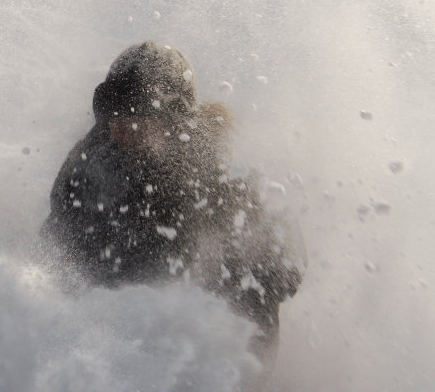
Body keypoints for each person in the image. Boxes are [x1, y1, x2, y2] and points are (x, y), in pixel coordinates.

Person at [40, 41, 304, 361]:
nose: (122, 126)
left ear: (173, 121)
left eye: (139, 115)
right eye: (114, 114)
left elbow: (282, 260)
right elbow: (56, 247)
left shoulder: (217, 178)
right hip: (113, 337)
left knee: (250, 282)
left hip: (207, 341)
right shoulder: (87, 165)